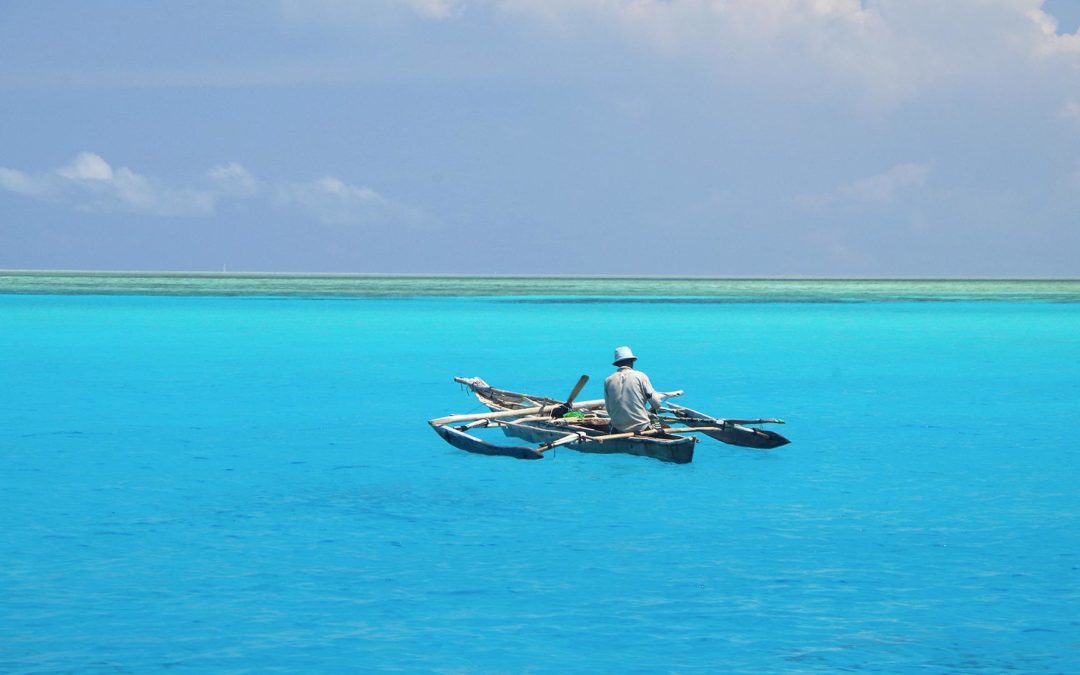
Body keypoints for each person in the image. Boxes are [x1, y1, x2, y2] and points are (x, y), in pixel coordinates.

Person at [603, 346, 676, 433]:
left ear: (617, 364)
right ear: (631, 361)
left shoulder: (608, 380)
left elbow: (608, 409)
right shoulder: (640, 376)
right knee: (665, 428)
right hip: (641, 427)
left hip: (619, 428)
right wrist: (651, 410)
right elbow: (656, 403)